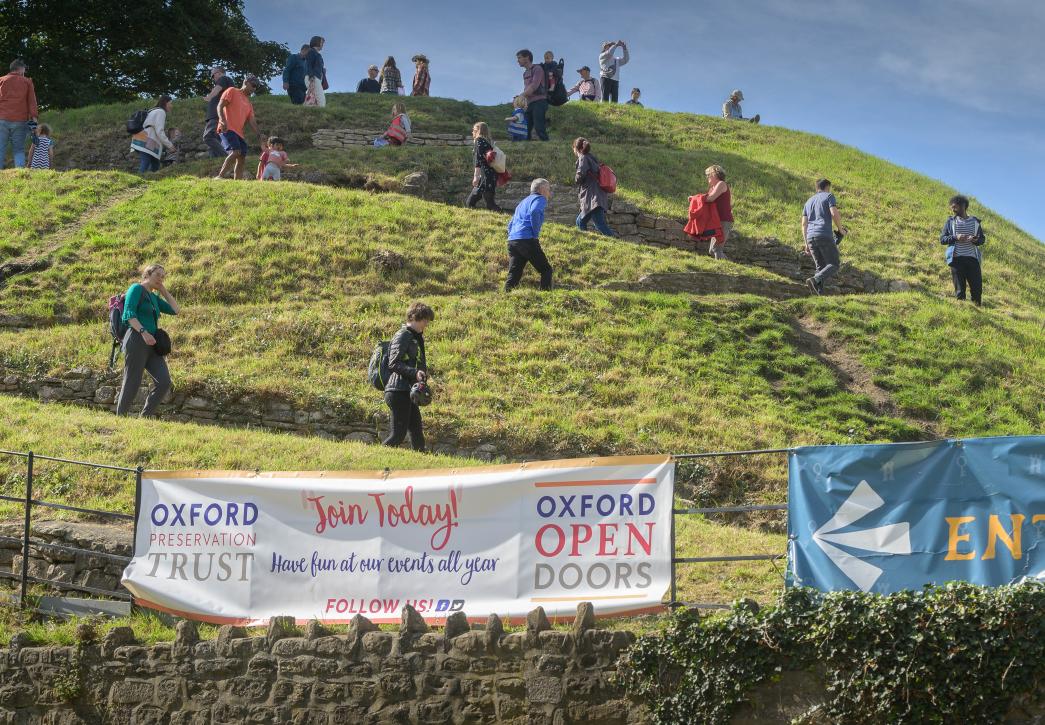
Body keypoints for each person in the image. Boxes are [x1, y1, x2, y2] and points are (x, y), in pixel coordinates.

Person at [116, 264, 180, 417]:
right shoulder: (136, 289)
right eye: (158, 275)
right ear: (147, 274)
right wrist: (143, 332)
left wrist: (163, 290)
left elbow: (175, 310)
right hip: (137, 339)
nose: (161, 278)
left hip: (153, 344)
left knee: (164, 381)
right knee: (133, 380)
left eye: (163, 276)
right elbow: (129, 314)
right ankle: (120, 417)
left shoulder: (153, 297)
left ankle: (145, 417)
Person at [383, 301, 434, 452]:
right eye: (424, 321)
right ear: (414, 317)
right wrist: (414, 372)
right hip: (398, 391)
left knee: (417, 434)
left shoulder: (415, 337)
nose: (426, 324)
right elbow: (393, 363)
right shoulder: (403, 335)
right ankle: (375, 462)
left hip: (409, 391)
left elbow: (414, 361)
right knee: (398, 435)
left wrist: (421, 374)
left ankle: (423, 468)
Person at [505, 178, 554, 291]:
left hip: (513, 240)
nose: (549, 192)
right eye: (548, 189)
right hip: (527, 239)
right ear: (541, 189)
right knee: (546, 270)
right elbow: (535, 211)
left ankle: (506, 295)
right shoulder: (540, 198)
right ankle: (545, 296)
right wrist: (535, 234)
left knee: (514, 273)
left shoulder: (523, 202)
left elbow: (510, 223)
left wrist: (512, 235)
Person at [802, 178, 847, 295]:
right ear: (827, 187)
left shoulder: (808, 202)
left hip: (810, 237)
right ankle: (814, 280)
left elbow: (804, 223)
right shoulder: (828, 196)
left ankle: (818, 296)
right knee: (834, 264)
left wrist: (806, 243)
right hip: (823, 234)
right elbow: (834, 213)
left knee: (820, 268)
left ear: (817, 188)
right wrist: (840, 230)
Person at [940, 195, 986, 306]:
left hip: (972, 260)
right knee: (960, 291)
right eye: (952, 207)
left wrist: (975, 240)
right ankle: (962, 311)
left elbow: (982, 239)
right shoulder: (950, 222)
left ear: (963, 206)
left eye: (955, 207)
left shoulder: (975, 222)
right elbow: (942, 239)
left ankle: (977, 313)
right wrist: (956, 237)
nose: (953, 209)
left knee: (977, 290)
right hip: (956, 260)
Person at [216, 75, 263, 180]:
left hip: (239, 133)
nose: (254, 88)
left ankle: (237, 181)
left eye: (256, 87)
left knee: (242, 157)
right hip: (227, 128)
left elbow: (252, 121)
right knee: (236, 152)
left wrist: (259, 134)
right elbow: (220, 105)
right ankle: (219, 176)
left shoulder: (248, 103)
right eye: (253, 85)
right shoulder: (232, 91)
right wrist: (222, 120)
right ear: (246, 82)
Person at [573, 138, 616, 237]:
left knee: (598, 224)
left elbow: (581, 174)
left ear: (576, 148)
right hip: (596, 196)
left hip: (592, 197)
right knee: (581, 222)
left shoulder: (583, 157)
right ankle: (585, 239)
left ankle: (615, 240)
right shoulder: (591, 158)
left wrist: (576, 179)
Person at [0, 59, 38, 169]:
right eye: (24, 69)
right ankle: (20, 173)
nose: (25, 71)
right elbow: (32, 103)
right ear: (20, 69)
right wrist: (34, 125)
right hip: (20, 120)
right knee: (18, 149)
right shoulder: (27, 82)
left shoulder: (1, 80)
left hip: (2, 119)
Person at [130, 96, 177, 174]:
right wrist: (170, 146)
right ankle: (139, 180)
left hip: (141, 137)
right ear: (166, 103)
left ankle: (152, 181)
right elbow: (159, 131)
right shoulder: (161, 112)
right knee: (145, 162)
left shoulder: (153, 110)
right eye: (170, 103)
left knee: (155, 164)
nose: (172, 106)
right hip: (146, 139)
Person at [466, 122, 502, 212]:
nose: (472, 132)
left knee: (470, 203)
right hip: (490, 175)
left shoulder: (479, 141)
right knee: (490, 204)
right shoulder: (488, 141)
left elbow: (478, 160)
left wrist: (476, 177)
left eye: (474, 130)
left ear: (478, 130)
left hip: (485, 176)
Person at [203, 67, 235, 158]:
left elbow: (217, 88)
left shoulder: (224, 78)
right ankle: (216, 163)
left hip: (217, 115)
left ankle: (227, 157)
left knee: (208, 137)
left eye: (213, 75)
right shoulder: (226, 82)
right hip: (217, 115)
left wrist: (209, 97)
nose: (212, 78)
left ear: (220, 73)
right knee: (214, 143)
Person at [516, 50, 548, 141]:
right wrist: (521, 98)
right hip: (529, 103)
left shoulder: (537, 69)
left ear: (527, 58)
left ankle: (548, 148)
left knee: (539, 128)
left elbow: (534, 86)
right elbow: (527, 89)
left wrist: (520, 96)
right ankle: (527, 149)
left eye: (519, 58)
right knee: (526, 129)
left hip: (540, 102)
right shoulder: (525, 73)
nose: (518, 60)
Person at [704, 165, 732, 259]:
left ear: (715, 174)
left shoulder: (721, 184)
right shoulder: (712, 188)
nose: (707, 177)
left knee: (717, 248)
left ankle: (721, 269)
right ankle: (727, 264)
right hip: (716, 221)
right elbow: (706, 201)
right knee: (712, 250)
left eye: (709, 175)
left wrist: (697, 199)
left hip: (724, 220)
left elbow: (710, 198)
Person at [304, 36, 327, 107]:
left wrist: (322, 71)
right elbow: (309, 64)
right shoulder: (311, 52)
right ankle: (322, 114)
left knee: (314, 98)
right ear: (317, 42)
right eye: (322, 43)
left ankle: (309, 113)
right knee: (321, 100)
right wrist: (311, 76)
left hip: (316, 78)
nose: (322, 45)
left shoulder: (317, 54)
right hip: (313, 77)